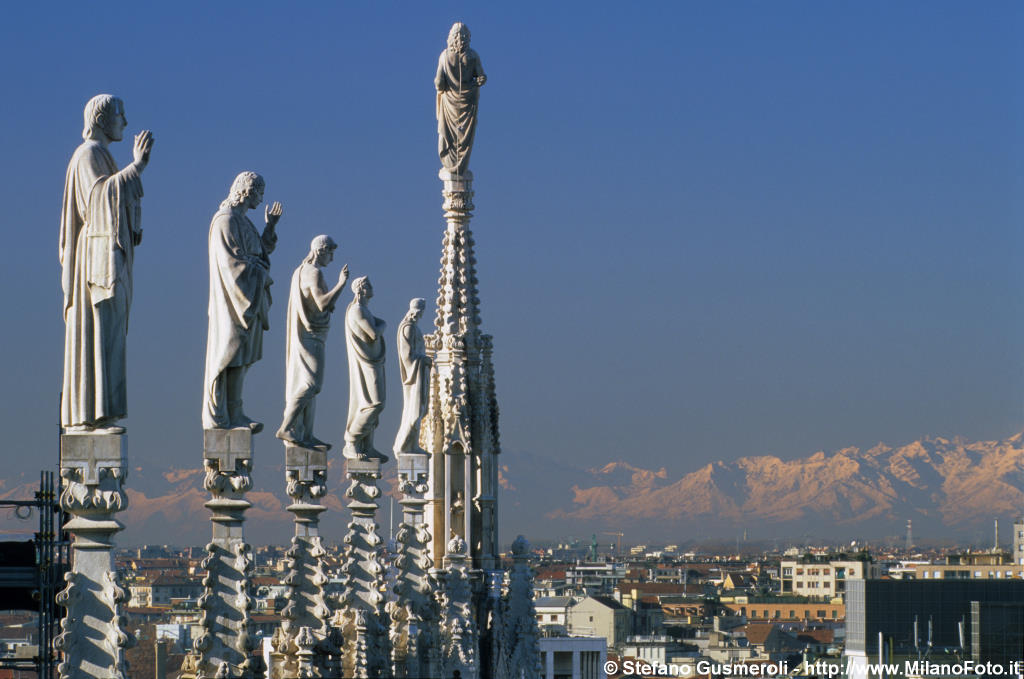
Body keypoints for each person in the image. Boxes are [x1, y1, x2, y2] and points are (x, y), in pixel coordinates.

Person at [59, 94, 154, 432]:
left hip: (108, 257)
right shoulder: (87, 155)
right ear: (101, 118)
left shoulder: (102, 156)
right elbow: (97, 200)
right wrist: (137, 168)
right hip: (96, 262)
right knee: (99, 334)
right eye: (120, 115)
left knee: (110, 335)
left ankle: (104, 412)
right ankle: (93, 415)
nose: (125, 123)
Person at [202, 172, 282, 431]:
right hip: (233, 302)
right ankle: (224, 413)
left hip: (249, 299)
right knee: (230, 352)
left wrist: (270, 227)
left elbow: (259, 250)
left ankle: (236, 411)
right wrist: (258, 271)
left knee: (242, 356)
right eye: (259, 193)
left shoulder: (243, 222)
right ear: (247, 191)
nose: (261, 199)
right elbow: (231, 264)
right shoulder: (225, 221)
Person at [276, 235, 348, 450]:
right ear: (320, 251)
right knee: (310, 384)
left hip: (314, 334)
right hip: (310, 336)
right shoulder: (313, 273)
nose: (332, 259)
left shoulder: (302, 271)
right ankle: (287, 426)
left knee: (311, 387)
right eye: (330, 253)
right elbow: (322, 303)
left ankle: (306, 433)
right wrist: (341, 284)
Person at [343, 276, 386, 461]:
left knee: (376, 403)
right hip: (366, 363)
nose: (373, 288)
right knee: (372, 403)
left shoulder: (364, 310)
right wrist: (384, 324)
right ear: (361, 290)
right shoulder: (357, 311)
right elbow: (374, 333)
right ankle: (352, 440)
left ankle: (367, 445)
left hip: (373, 362)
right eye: (369, 285)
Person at [435, 22, 486, 176]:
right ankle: (460, 166)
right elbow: (482, 77)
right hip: (468, 102)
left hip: (450, 104)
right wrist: (477, 82)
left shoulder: (445, 56)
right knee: (464, 137)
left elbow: (439, 83)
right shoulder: (472, 56)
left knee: (448, 137)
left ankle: (452, 165)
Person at [393, 298, 431, 455]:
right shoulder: (407, 328)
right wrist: (424, 360)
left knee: (420, 410)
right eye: (421, 311)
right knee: (413, 412)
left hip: (419, 374)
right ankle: (402, 446)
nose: (421, 314)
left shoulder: (413, 327)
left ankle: (413, 445)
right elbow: (407, 356)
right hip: (414, 377)